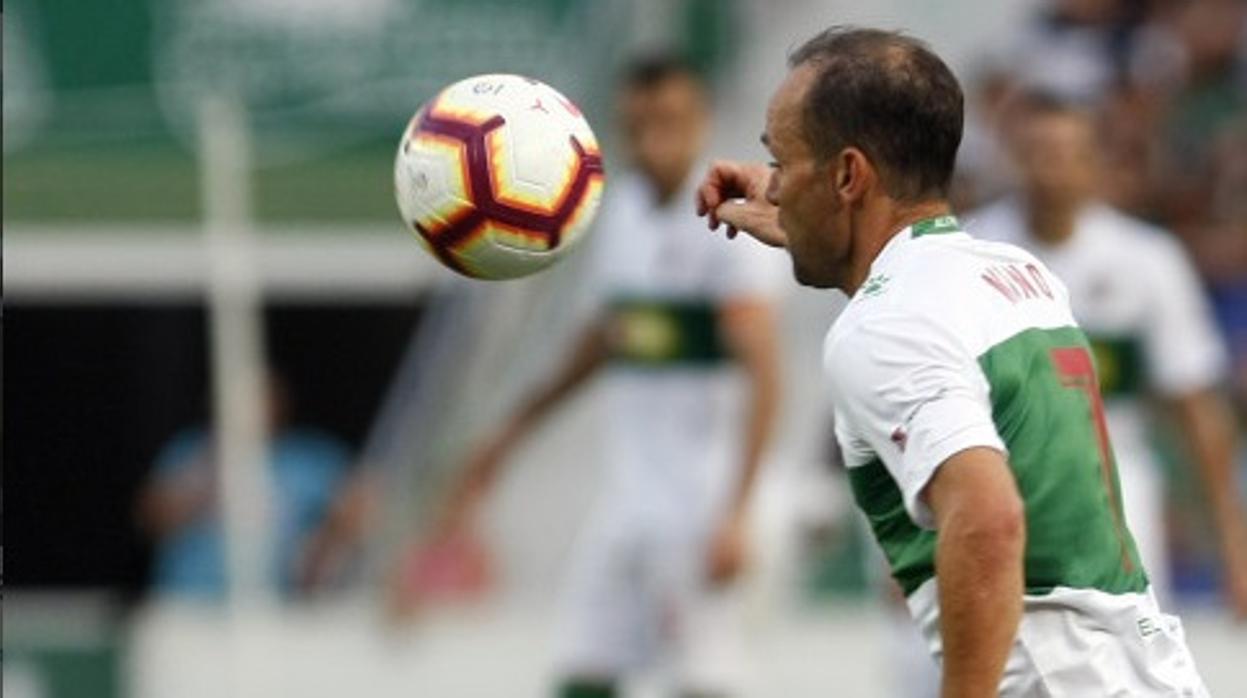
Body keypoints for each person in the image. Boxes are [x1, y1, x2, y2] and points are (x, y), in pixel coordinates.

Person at [696, 26, 1209, 696]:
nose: (774, 185)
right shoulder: (1015, 271)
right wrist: (801, 206)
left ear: (848, 174)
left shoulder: (883, 327)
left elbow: (989, 521)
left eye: (783, 163)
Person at [431, 56, 784, 697]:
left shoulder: (725, 223)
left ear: (700, 120)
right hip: (628, 497)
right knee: (582, 666)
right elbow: (593, 349)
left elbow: (766, 375)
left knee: (706, 676)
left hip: (701, 501)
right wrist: (503, 440)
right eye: (639, 123)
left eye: (670, 121)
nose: (654, 138)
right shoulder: (616, 215)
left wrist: (738, 510)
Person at [969, 92, 1247, 616]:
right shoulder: (970, 253)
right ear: (1011, 156)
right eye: (1035, 151)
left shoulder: (1146, 259)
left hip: (1115, 488)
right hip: (994, 484)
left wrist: (1234, 545)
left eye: (1066, 152)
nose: (1050, 169)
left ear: (1094, 162)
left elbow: (1196, 409)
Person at [136, 373, 352, 599]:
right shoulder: (190, 451)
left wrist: (324, 543)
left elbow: (358, 508)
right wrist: (201, 483)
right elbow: (147, 518)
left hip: (272, 606)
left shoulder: (306, 458)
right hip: (188, 603)